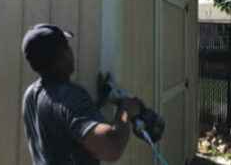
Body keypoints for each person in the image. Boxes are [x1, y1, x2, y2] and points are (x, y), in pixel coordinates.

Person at [21, 24, 141, 165]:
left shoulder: (30, 95)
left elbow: (63, 125)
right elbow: (111, 147)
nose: (71, 51)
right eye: (67, 46)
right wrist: (125, 111)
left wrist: (97, 104)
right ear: (62, 55)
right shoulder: (69, 97)